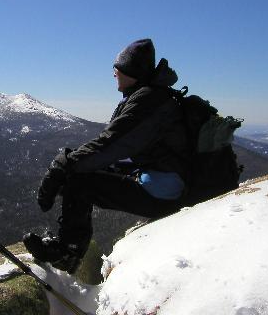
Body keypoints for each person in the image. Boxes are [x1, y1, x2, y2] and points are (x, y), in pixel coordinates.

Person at [23, 38, 190, 273]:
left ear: (130, 72)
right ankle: (69, 246)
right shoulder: (148, 96)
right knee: (79, 171)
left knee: (78, 179)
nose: (114, 74)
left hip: (164, 193)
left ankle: (68, 252)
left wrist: (64, 165)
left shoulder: (148, 100)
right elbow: (118, 147)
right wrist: (69, 164)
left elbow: (112, 144)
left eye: (117, 69)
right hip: (158, 178)